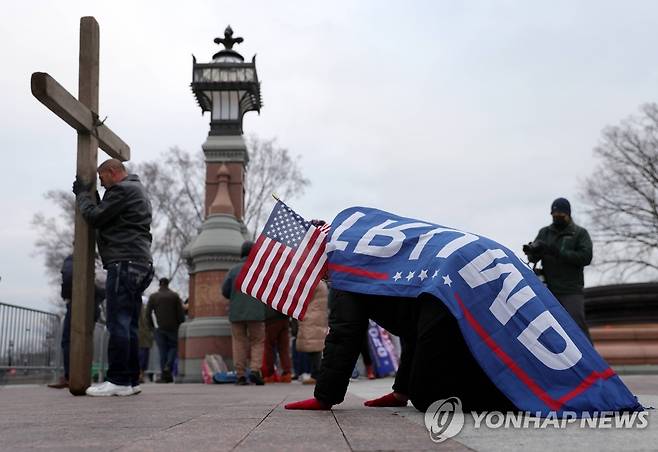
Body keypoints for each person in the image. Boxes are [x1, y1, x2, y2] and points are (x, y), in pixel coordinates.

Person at [73, 158, 154, 397]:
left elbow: (96, 217)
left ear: (111, 172)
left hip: (124, 261)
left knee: (118, 322)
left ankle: (118, 379)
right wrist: (93, 198)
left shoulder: (122, 189)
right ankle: (130, 380)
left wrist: (82, 196)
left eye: (102, 178)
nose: (101, 184)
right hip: (140, 262)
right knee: (128, 323)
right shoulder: (135, 190)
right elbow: (107, 214)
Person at [523, 197, 593, 341]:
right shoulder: (544, 233)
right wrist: (533, 253)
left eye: (561, 215)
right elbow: (533, 259)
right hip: (548, 289)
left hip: (571, 290)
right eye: (554, 216)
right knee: (549, 326)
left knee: (577, 325)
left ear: (568, 214)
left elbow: (586, 257)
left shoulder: (579, 233)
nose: (557, 218)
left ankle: (591, 360)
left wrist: (557, 252)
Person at [48, 254, 105, 389]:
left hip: (77, 302)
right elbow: (104, 287)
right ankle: (85, 375)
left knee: (69, 340)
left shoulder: (74, 258)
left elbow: (68, 276)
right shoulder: (98, 261)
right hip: (94, 304)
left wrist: (67, 294)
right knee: (87, 339)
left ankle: (71, 376)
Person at [222, 241, 266, 385]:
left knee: (239, 342)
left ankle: (240, 375)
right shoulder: (259, 269)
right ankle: (255, 370)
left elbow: (225, 291)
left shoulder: (233, 270)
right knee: (257, 341)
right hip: (256, 312)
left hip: (236, 312)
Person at [146, 278, 185, 383]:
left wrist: (151, 327)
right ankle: (168, 366)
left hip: (159, 328)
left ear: (160, 284)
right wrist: (181, 324)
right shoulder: (174, 296)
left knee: (162, 351)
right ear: (168, 284)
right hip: (173, 327)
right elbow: (180, 313)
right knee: (173, 347)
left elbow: (147, 313)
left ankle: (164, 375)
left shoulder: (153, 297)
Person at [295, 281, 329, 385]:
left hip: (311, 316)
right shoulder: (321, 283)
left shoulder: (314, 282)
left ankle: (317, 374)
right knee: (315, 346)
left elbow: (301, 295)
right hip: (317, 315)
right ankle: (317, 373)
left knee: (314, 347)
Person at [137, 296, 153, 384]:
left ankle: (139, 374)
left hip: (139, 334)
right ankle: (140, 374)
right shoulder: (145, 308)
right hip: (144, 334)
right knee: (143, 355)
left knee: (140, 354)